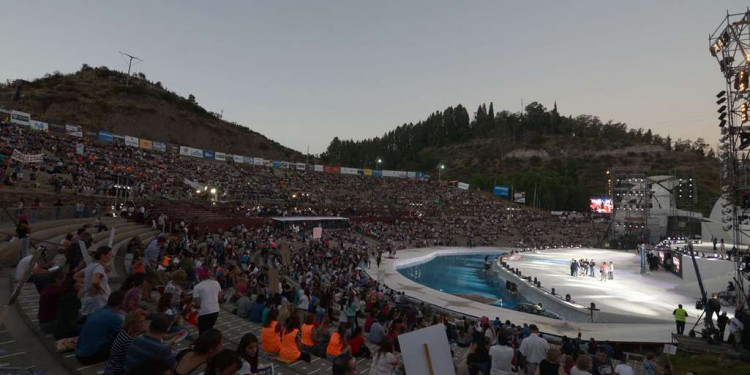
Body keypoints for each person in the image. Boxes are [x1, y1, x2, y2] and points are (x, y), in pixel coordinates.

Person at [75, 290, 125, 365]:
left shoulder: (98, 311)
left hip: (79, 353)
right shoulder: (114, 317)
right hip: (89, 356)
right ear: (121, 303)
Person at [103, 310, 147, 375]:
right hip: (118, 371)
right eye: (140, 322)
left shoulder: (124, 332)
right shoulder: (129, 340)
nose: (143, 324)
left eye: (144, 321)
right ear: (131, 323)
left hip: (111, 367)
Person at [77, 246, 114, 316]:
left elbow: (76, 276)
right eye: (109, 255)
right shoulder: (99, 267)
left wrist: (86, 285)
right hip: (98, 301)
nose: (111, 257)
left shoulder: (91, 265)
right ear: (103, 255)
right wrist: (99, 288)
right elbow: (95, 281)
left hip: (90, 299)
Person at [192, 271, 223, 335]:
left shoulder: (197, 287)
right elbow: (220, 297)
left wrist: (192, 305)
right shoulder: (216, 283)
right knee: (209, 329)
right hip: (215, 310)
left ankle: (202, 343)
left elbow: (197, 304)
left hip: (204, 311)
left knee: (202, 331)